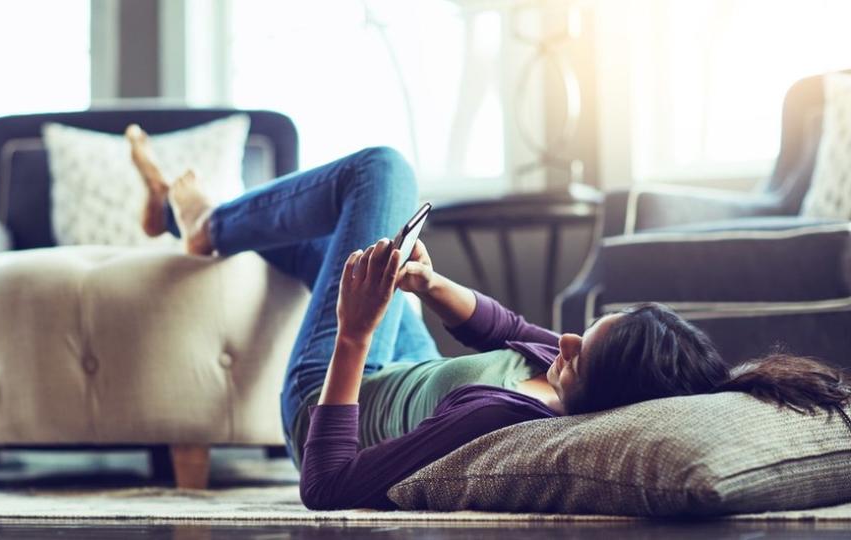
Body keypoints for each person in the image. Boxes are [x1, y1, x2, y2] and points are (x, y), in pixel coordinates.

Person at [125, 126, 851, 511]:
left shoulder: (496, 420)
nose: (561, 338)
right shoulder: (565, 374)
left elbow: (328, 483)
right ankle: (198, 219)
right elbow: (502, 331)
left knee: (378, 171)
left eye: (577, 350)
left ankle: (207, 222)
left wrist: (353, 331)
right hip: (404, 364)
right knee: (335, 252)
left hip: (325, 400)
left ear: (605, 399)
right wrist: (430, 286)